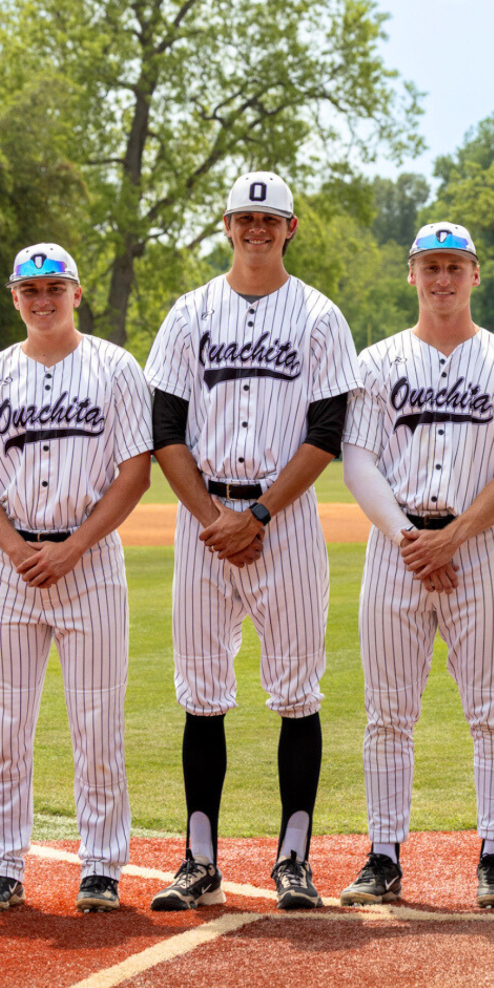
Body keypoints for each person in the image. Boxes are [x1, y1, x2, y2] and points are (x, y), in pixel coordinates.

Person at [144, 172, 361, 911]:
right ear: (227, 225)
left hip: (286, 522)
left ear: (290, 227)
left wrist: (259, 515)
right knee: (202, 695)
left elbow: (325, 433)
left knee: (297, 695)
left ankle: (292, 860)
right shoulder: (188, 313)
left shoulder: (320, 317)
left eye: (270, 219)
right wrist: (213, 517)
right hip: (203, 522)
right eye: (245, 218)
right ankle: (198, 861)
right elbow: (165, 429)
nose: (257, 229)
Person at [0, 243, 153, 914]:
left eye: (54, 287)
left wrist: (73, 547)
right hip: (12, 566)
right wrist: (16, 547)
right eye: (31, 290)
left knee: (97, 723)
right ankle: (0, 865)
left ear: (77, 294)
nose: (43, 299)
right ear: (15, 298)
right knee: (5, 723)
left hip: (90, 564)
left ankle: (101, 866)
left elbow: (134, 471)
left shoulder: (117, 369)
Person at [336, 223, 494, 908]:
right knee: (388, 713)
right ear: (412, 274)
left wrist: (451, 538)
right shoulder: (376, 362)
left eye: (455, 267)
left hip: (477, 551)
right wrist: (408, 538)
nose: (443, 279)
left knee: (492, 711)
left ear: (475, 275)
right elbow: (357, 460)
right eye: (431, 267)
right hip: (396, 552)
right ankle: (384, 854)